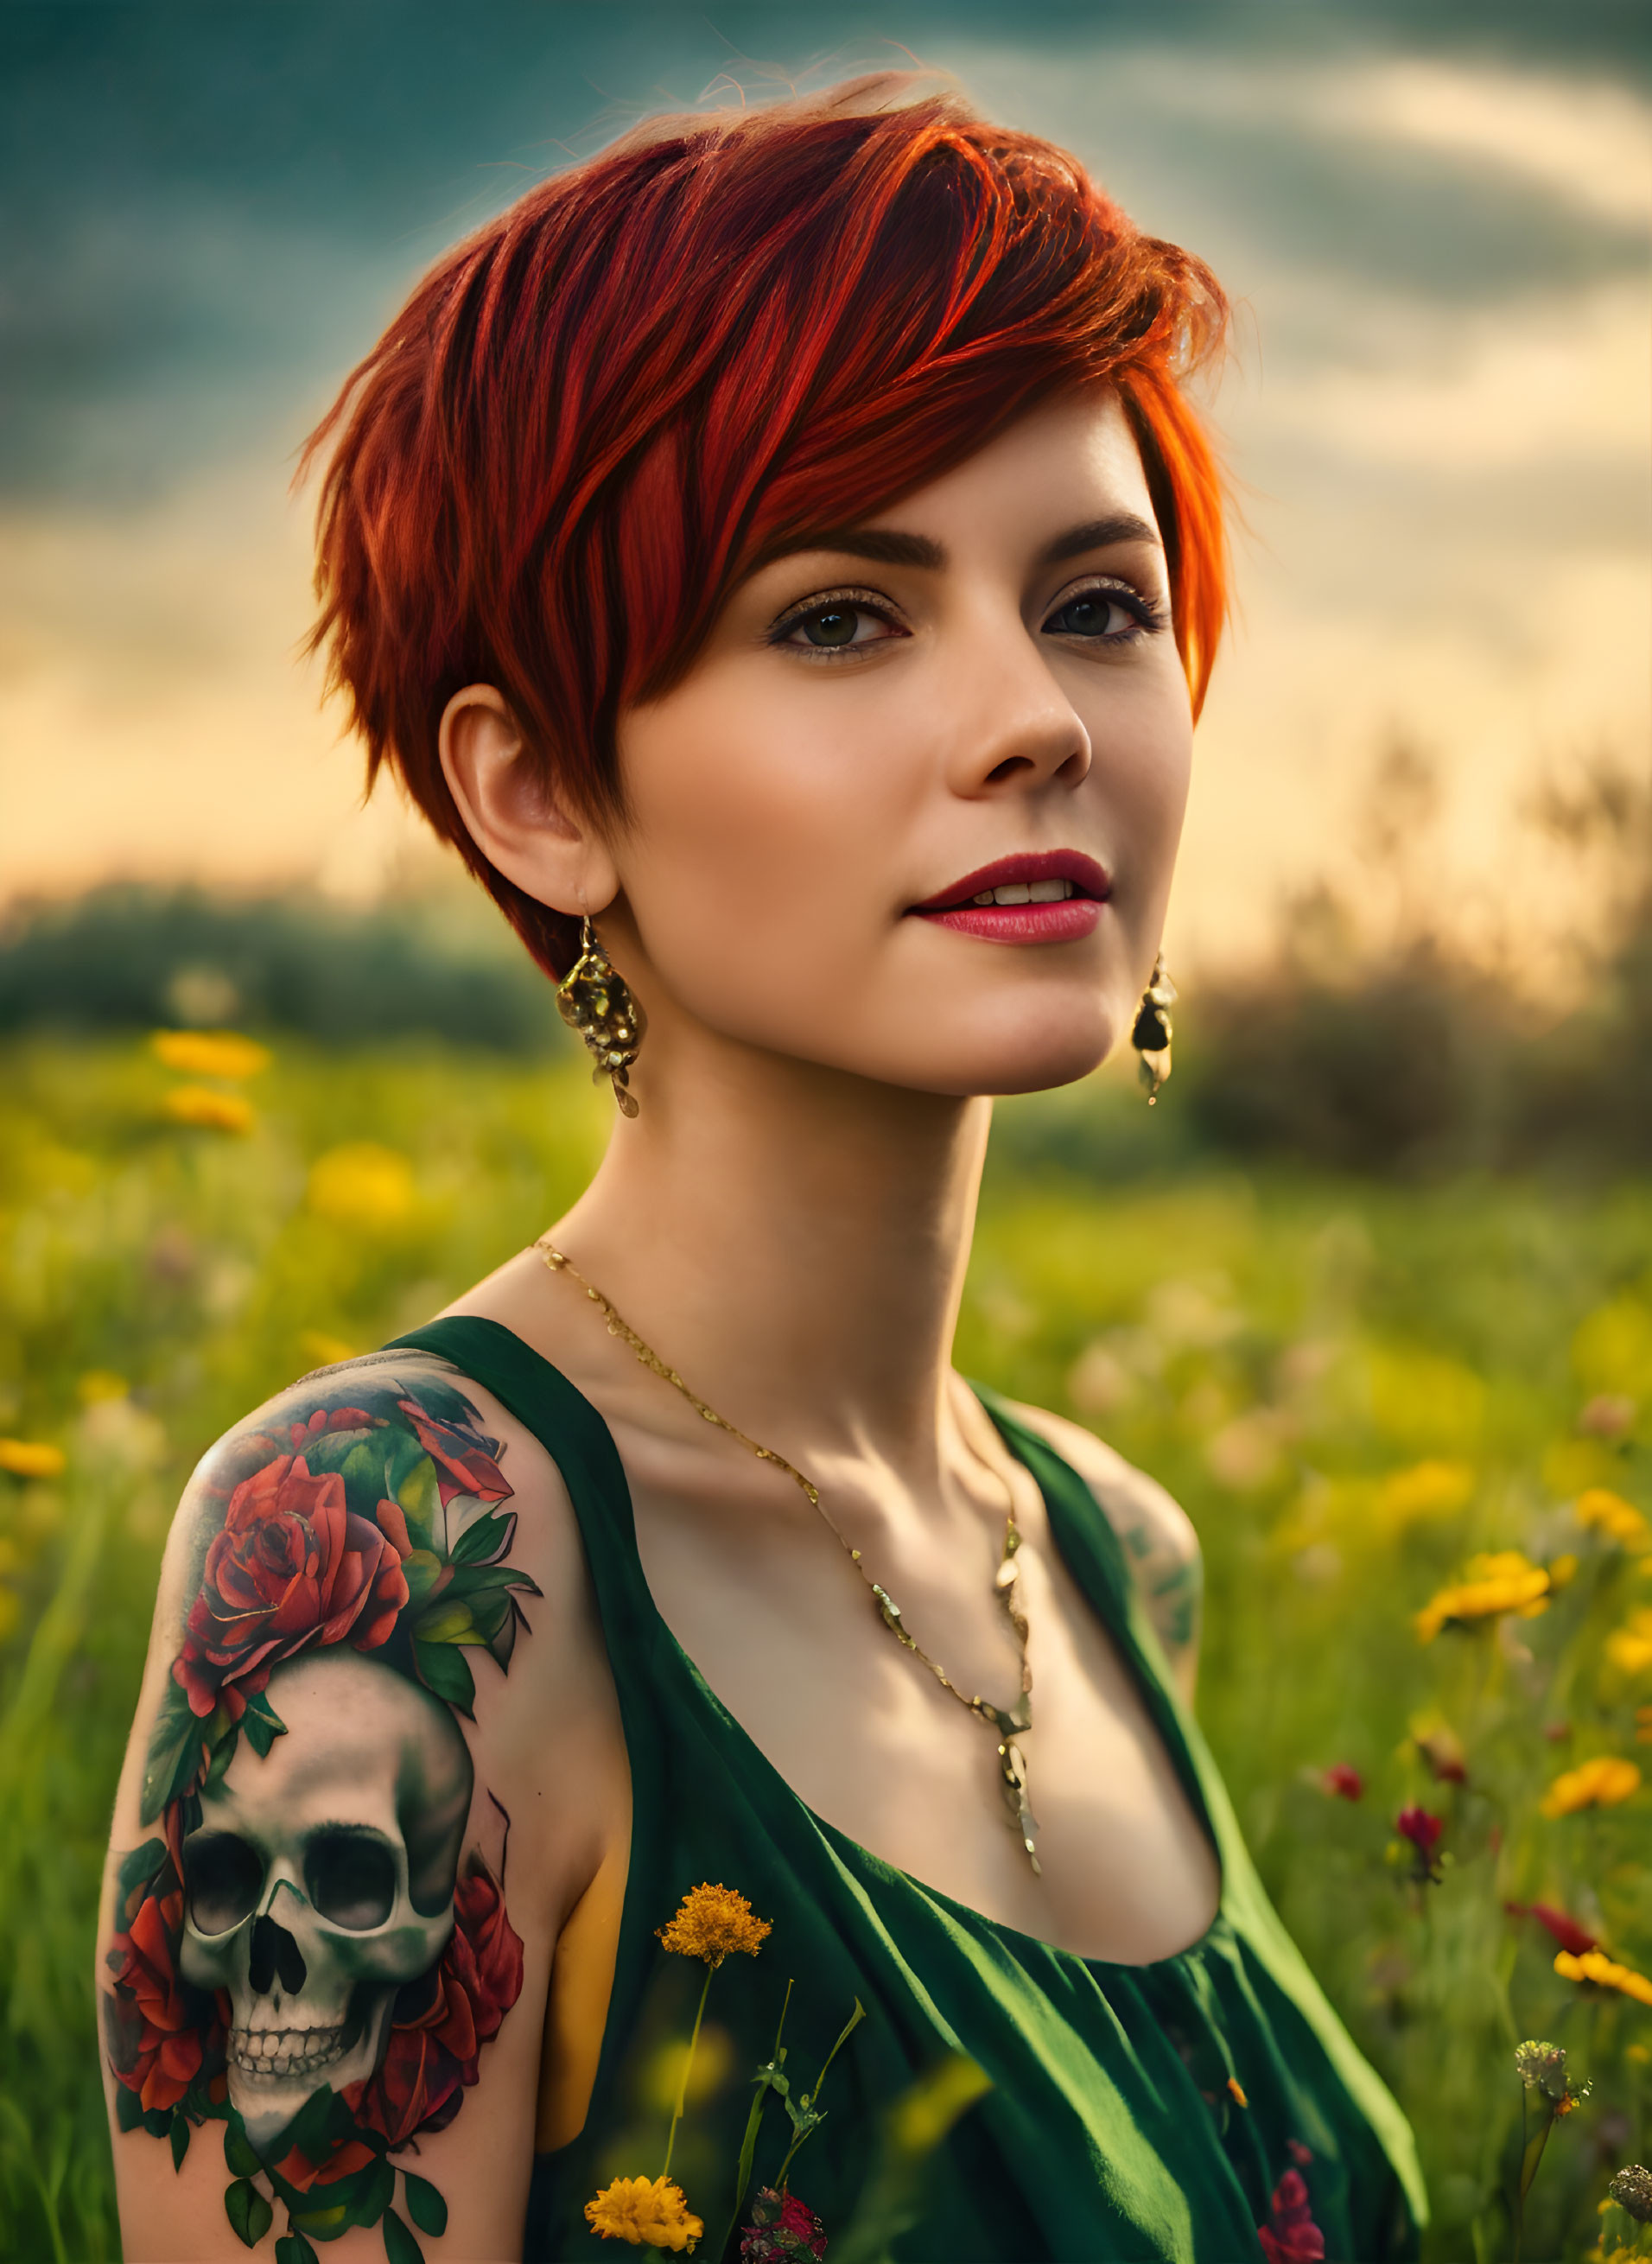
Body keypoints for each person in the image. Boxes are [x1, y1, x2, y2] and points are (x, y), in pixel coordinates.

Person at [99, 76, 1425, 2264]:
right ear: (537, 791)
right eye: (839, 614)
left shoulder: (1109, 1555)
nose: (1038, 717)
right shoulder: (397, 1544)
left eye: (1097, 602)